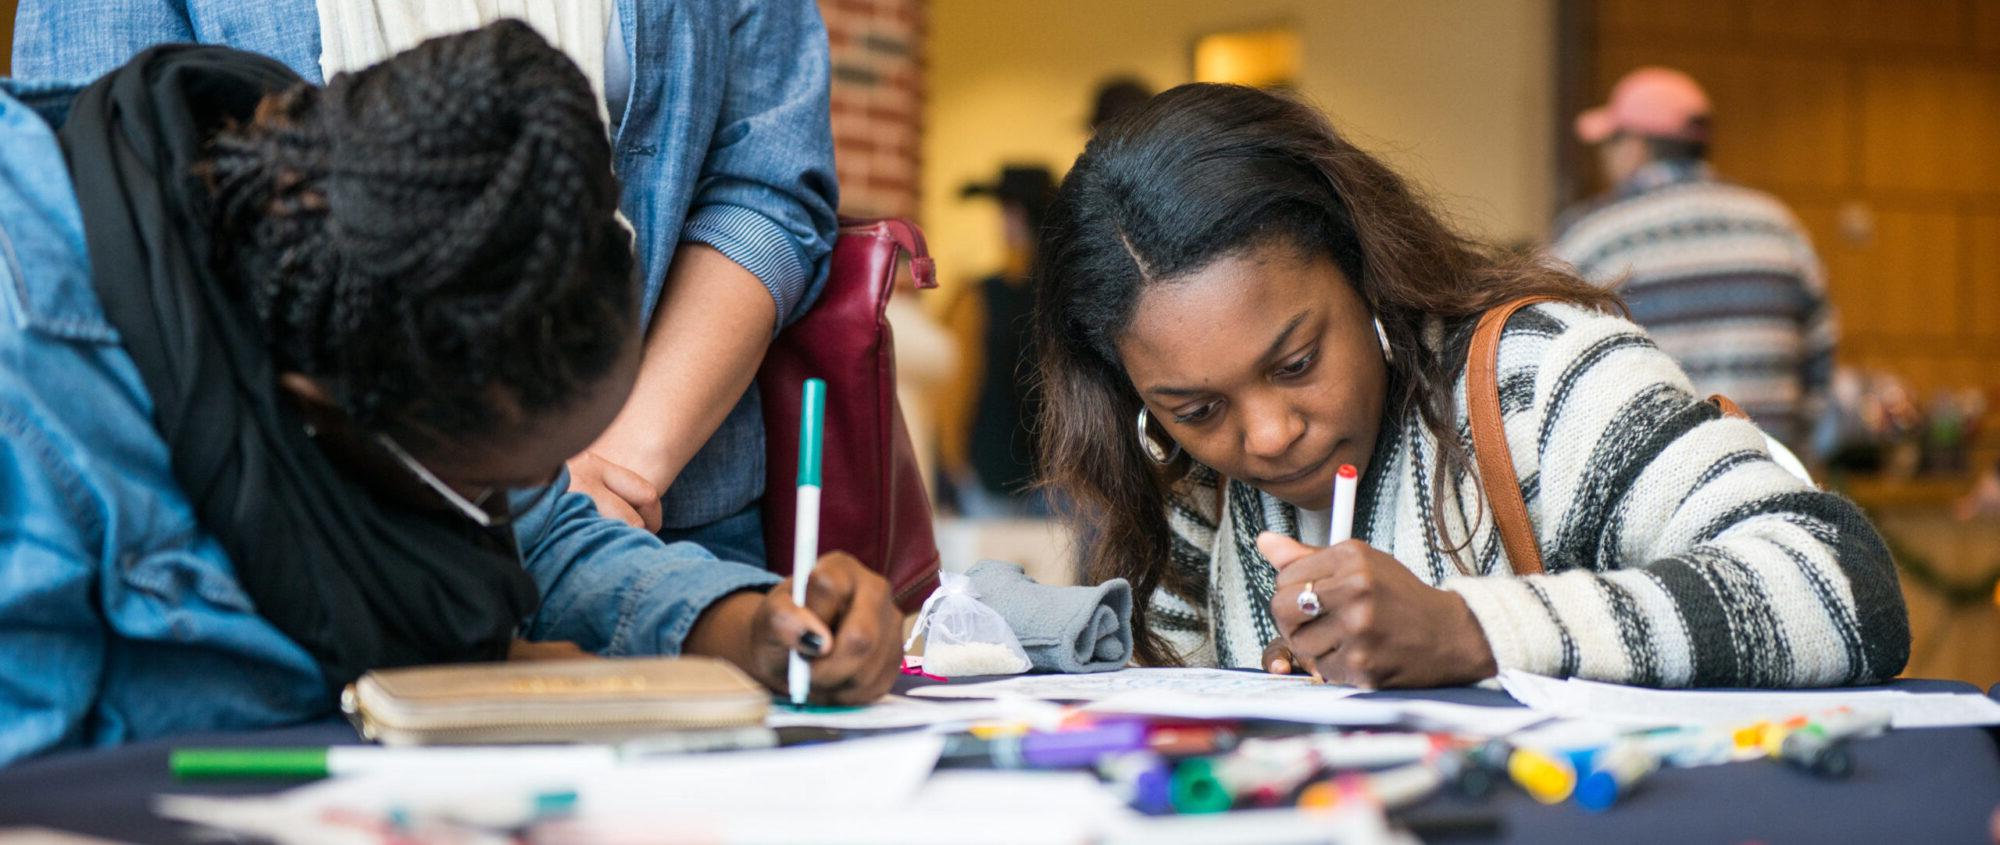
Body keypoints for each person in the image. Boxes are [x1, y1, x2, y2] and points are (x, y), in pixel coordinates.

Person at [0, 23, 898, 767]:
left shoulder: (333, 257)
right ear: (320, 399)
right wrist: (443, 674)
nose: (515, 516)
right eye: (487, 488)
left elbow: (541, 531)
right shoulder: (34, 379)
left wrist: (741, 628)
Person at [1032, 83, 1909, 689]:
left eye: (1297, 362)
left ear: (1361, 271)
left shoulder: (1539, 379)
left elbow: (1843, 589)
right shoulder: (1200, 495)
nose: (1264, 436)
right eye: (1197, 409)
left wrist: (1472, 630)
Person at [15, 0, 842, 565]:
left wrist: (608, 473)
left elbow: (763, 175)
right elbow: (113, 194)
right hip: (304, 524)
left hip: (654, 519)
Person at [1551, 66, 1835, 455]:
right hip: (1771, 479)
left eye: (1608, 145)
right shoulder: (1780, 228)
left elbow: (1550, 365)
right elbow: (1820, 370)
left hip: (1653, 488)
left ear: (1634, 146)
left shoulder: (1589, 237)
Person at [953, 165, 1058, 517]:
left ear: (1017, 215)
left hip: (1003, 470)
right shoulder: (1067, 295)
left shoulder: (980, 296)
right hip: (1048, 471)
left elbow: (961, 385)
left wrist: (955, 460)